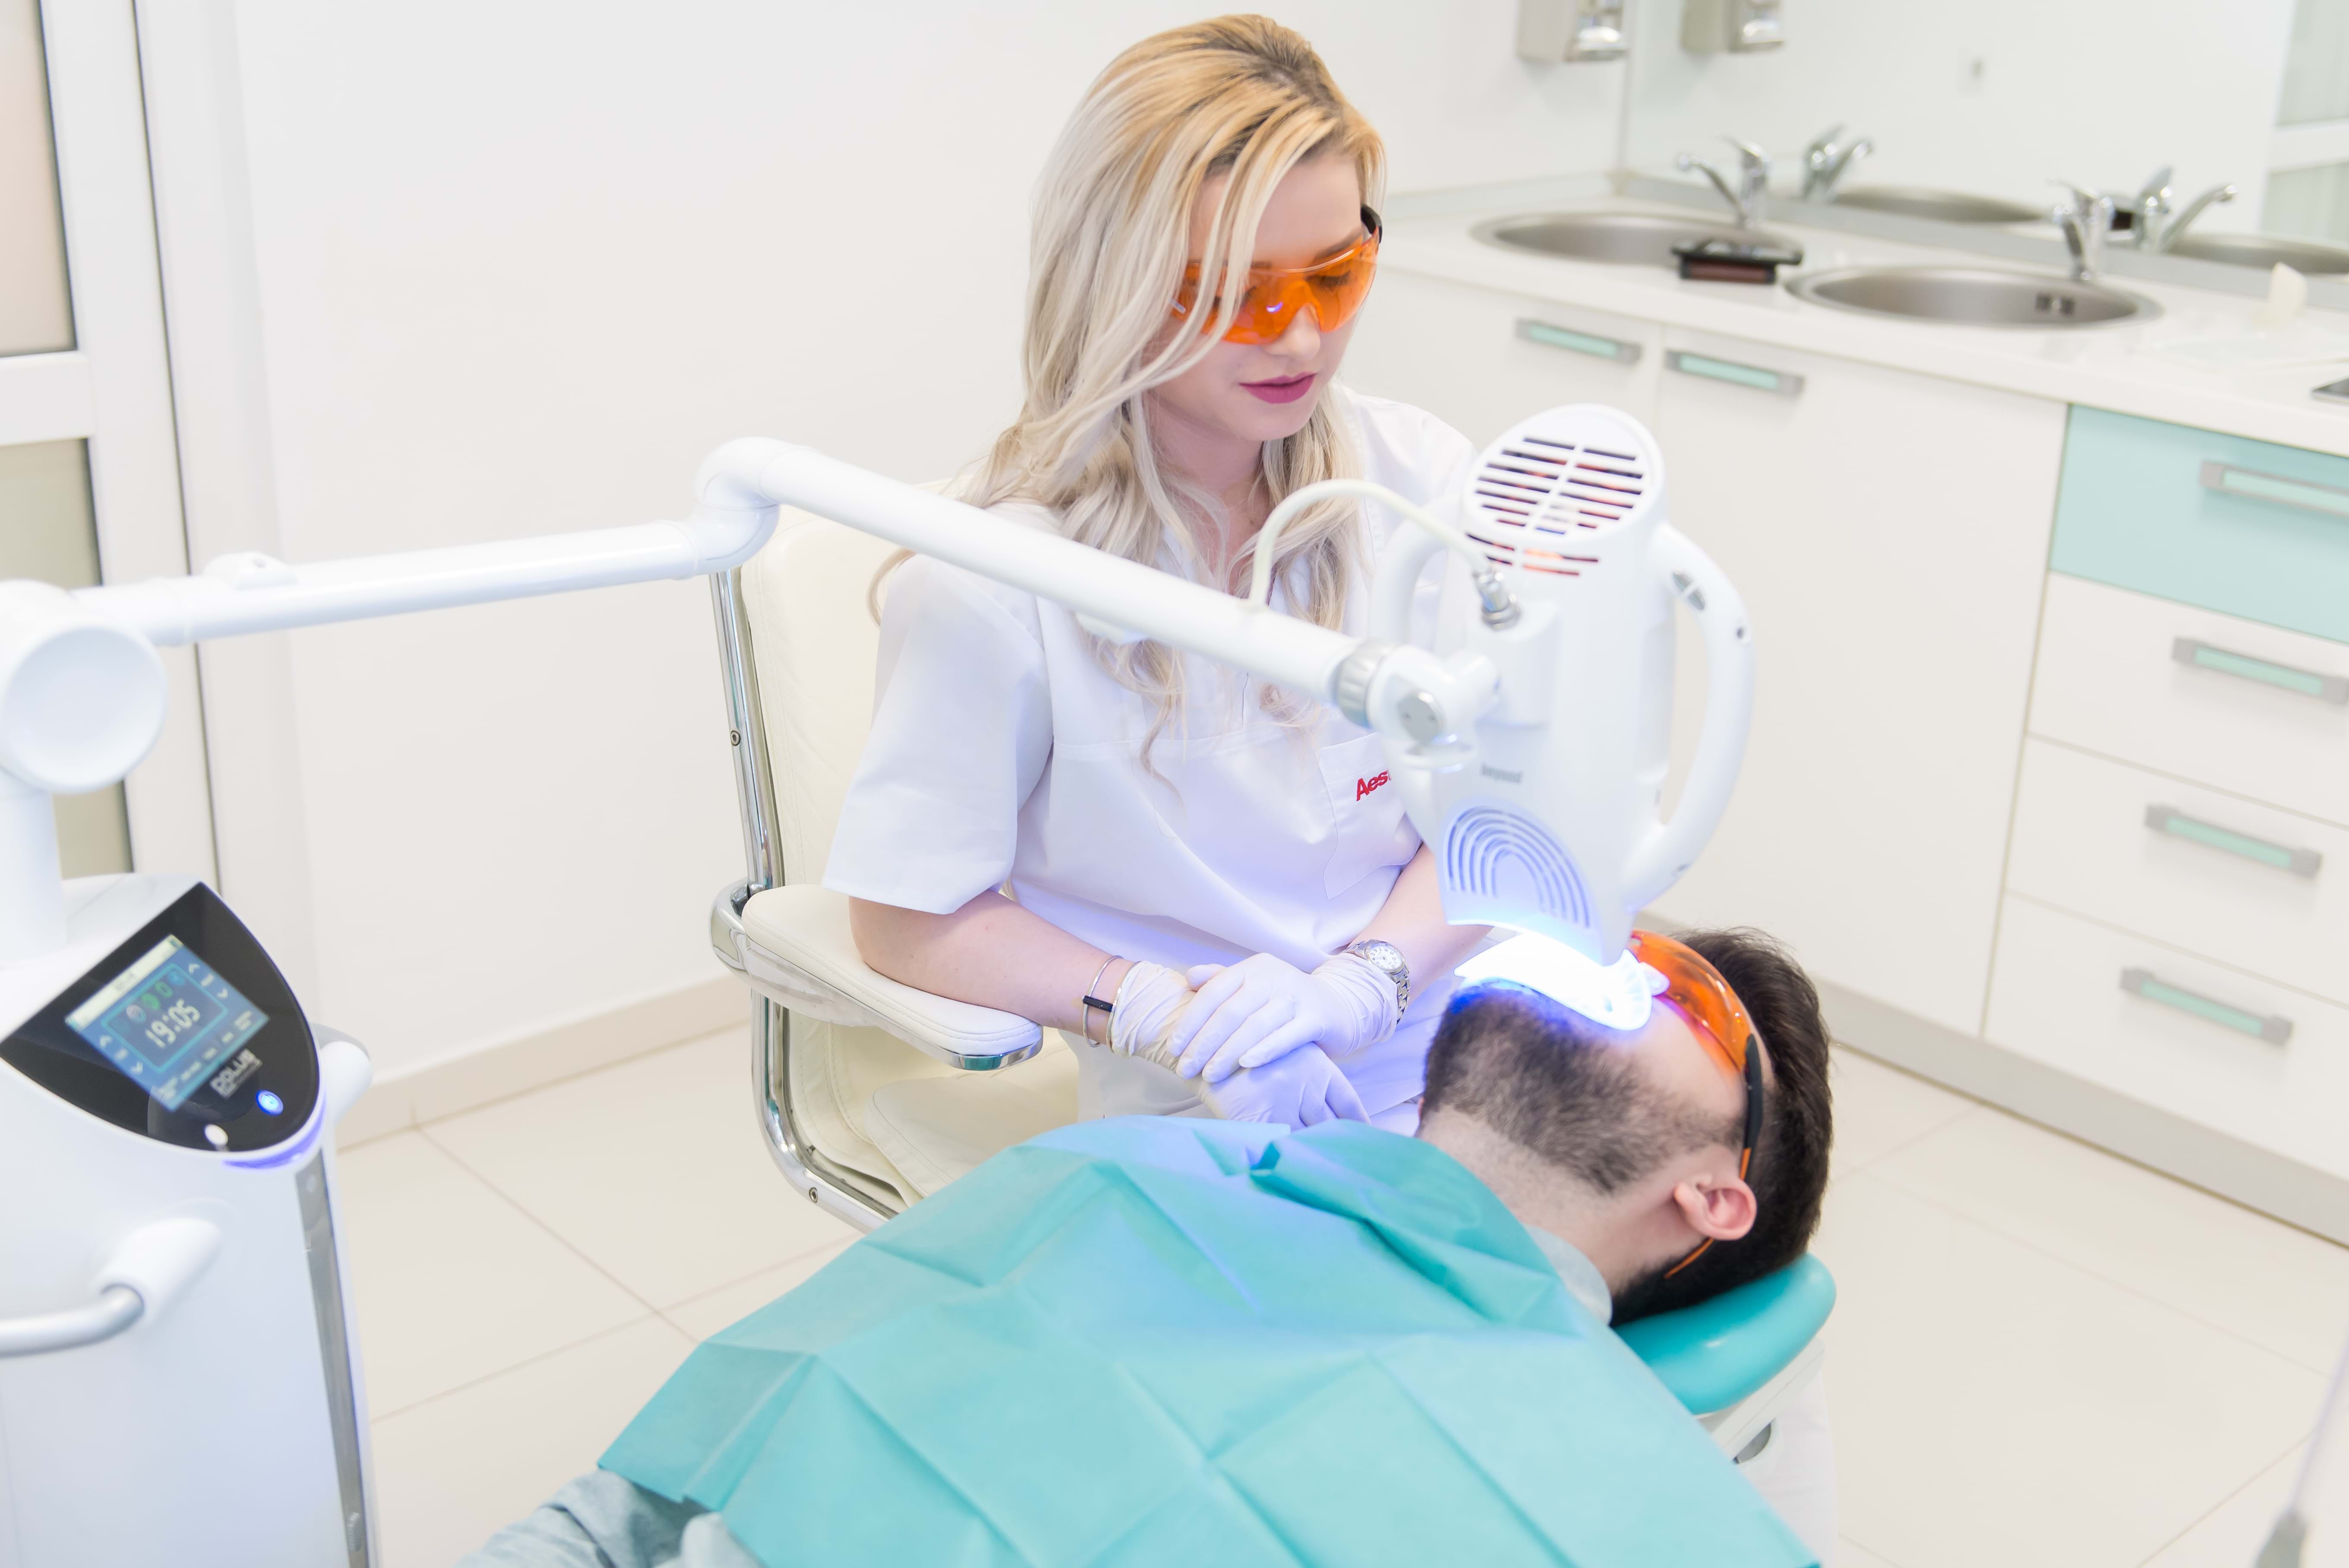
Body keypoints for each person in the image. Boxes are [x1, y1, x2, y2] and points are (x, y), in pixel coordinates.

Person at [461, 927, 1838, 1568]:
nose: (1622, 974)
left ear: (1715, 1197)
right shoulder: (1127, 1171)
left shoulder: (1632, 1499)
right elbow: (634, 1516)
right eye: (1619, 944)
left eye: (1688, 1004)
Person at [825, 17, 1492, 1132]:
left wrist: (1362, 986)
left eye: (1335, 276)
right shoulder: (999, 576)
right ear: (1113, 284)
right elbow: (907, 914)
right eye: (1237, 292)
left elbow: (1507, 804)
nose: (1301, 339)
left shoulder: (1414, 483)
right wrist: (1156, 1012)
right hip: (1210, 1099)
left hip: (1460, 1022)